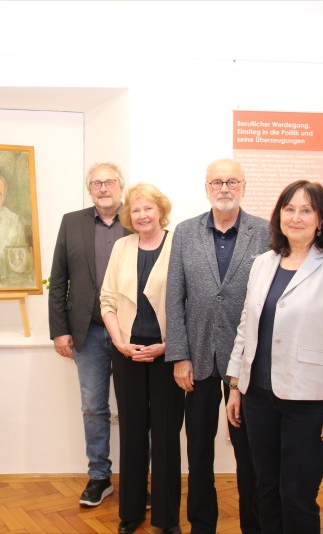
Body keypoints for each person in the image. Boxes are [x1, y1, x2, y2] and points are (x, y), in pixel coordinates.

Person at [226, 180, 323, 533]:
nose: (296, 217)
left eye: (306, 210)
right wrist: (236, 385)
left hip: (310, 401)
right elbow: (246, 327)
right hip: (258, 397)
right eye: (289, 209)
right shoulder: (262, 264)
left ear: (321, 220)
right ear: (279, 215)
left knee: (297, 495)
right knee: (265, 490)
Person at [165, 158, 268, 534]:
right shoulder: (185, 232)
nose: (224, 189)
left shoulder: (265, 231)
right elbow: (174, 298)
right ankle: (201, 525)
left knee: (250, 453)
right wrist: (179, 355)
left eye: (232, 182)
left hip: (247, 363)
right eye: (217, 183)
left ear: (243, 185)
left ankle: (254, 526)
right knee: (199, 453)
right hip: (200, 360)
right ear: (206, 188)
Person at [101, 183, 184, 534]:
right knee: (133, 435)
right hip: (128, 355)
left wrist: (168, 345)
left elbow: (189, 303)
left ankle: (166, 519)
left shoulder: (179, 244)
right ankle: (130, 515)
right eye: (136, 210)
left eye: (148, 208)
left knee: (165, 438)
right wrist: (121, 345)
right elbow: (107, 300)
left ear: (160, 210)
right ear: (128, 215)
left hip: (166, 356)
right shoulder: (122, 246)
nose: (142, 215)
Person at [48, 162, 129, 507]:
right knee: (94, 408)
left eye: (109, 181)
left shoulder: (139, 217)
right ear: (89, 189)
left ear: (121, 185)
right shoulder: (71, 222)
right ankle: (99, 477)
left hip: (131, 333)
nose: (103, 188)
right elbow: (58, 278)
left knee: (136, 409)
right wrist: (59, 330)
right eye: (96, 183)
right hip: (88, 333)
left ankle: (139, 477)